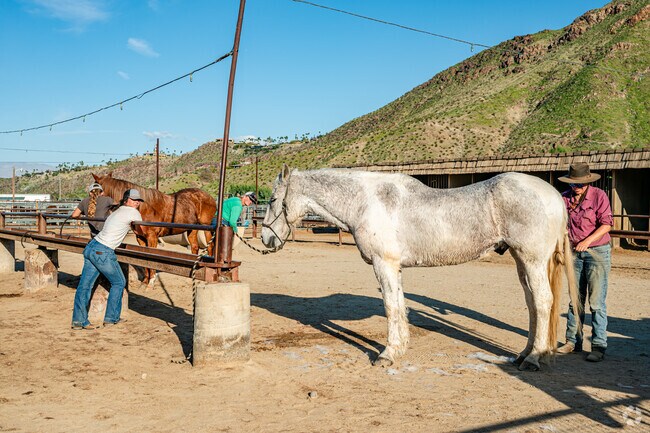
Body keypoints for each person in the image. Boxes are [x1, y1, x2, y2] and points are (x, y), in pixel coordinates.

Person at [556, 162, 613, 362]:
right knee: (575, 301)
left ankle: (598, 345)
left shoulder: (599, 196)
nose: (576, 187)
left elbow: (606, 224)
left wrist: (586, 241)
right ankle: (573, 341)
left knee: (596, 302)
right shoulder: (564, 198)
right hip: (573, 254)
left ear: (587, 182)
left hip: (596, 252)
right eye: (573, 184)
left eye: (579, 184)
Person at [71, 189, 144, 330]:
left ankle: (78, 321)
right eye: (134, 200)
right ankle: (111, 318)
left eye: (139, 200)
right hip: (103, 250)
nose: (137, 202)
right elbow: (140, 229)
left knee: (85, 286)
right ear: (126, 200)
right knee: (119, 282)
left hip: (92, 246)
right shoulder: (133, 213)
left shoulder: (117, 211)